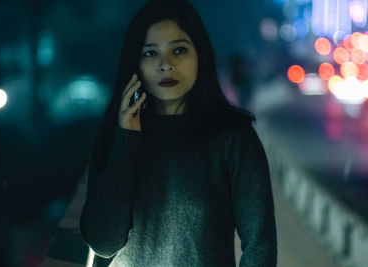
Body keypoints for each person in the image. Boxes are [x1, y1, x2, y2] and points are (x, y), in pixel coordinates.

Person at [79, 0, 277, 266]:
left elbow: (260, 246)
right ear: (134, 63)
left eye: (179, 50)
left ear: (201, 56)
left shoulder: (234, 139)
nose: (165, 64)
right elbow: (104, 243)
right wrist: (126, 139)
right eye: (150, 53)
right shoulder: (115, 136)